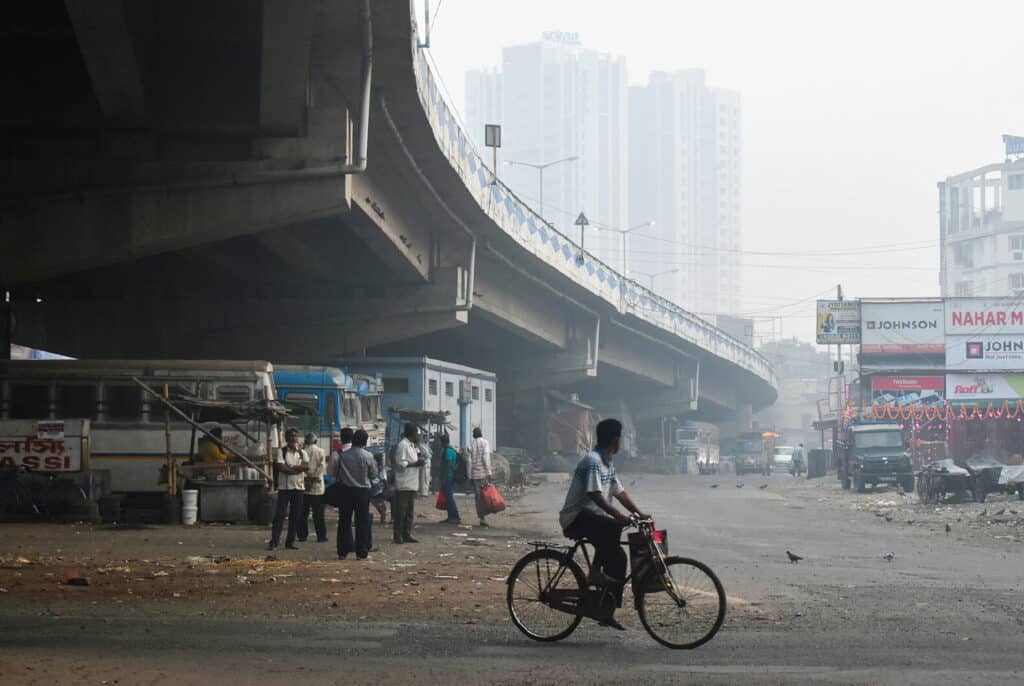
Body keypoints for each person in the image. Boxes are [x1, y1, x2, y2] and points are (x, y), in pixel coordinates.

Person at [559, 418, 650, 631]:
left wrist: (639, 514)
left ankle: (605, 610)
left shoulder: (607, 461)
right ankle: (596, 571)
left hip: (594, 519)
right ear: (615, 439)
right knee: (612, 526)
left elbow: (620, 493)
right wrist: (619, 516)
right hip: (576, 518)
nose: (623, 441)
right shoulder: (592, 460)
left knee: (618, 559)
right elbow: (595, 494)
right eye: (623, 437)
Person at [335, 429, 378, 560]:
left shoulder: (342, 455)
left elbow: (337, 473)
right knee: (362, 523)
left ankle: (342, 552)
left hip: (345, 491)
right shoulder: (367, 456)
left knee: (344, 522)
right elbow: (374, 474)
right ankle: (362, 552)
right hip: (362, 492)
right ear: (365, 441)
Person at [269, 429, 309, 551]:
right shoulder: (282, 451)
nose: (293, 438)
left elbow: (306, 466)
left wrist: (291, 467)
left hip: (299, 488)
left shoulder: (302, 453)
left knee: (295, 516)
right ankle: (274, 542)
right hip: (285, 488)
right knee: (280, 515)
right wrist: (296, 470)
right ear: (287, 438)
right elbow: (281, 467)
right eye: (291, 436)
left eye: (295, 436)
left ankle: (289, 542)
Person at [392, 423, 422, 544]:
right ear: (412, 434)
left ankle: (406, 534)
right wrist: (415, 464)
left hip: (412, 483)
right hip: (404, 483)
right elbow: (400, 464)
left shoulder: (412, 445)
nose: (418, 436)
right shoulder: (402, 445)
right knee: (401, 512)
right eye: (417, 434)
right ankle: (398, 535)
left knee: (409, 512)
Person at [297, 433, 328, 543]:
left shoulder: (301, 452)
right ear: (316, 441)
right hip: (317, 487)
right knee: (318, 514)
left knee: (302, 513)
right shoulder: (320, 451)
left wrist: (307, 478)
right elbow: (322, 467)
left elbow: (299, 467)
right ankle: (321, 536)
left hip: (303, 485)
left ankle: (302, 535)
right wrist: (314, 477)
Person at [468, 427, 493, 527]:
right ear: (481, 434)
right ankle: (484, 516)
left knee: (478, 497)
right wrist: (489, 472)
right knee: (485, 495)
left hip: (475, 475)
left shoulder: (471, 444)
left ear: (473, 435)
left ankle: (481, 517)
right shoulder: (485, 443)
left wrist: (470, 476)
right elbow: (486, 458)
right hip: (483, 475)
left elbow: (469, 462)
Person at [439, 433, 460, 524]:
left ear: (442, 442)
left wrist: (443, 478)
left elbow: (447, 465)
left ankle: (455, 517)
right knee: (448, 497)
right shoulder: (452, 450)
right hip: (451, 476)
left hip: (448, 477)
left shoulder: (447, 451)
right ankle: (450, 517)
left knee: (450, 497)